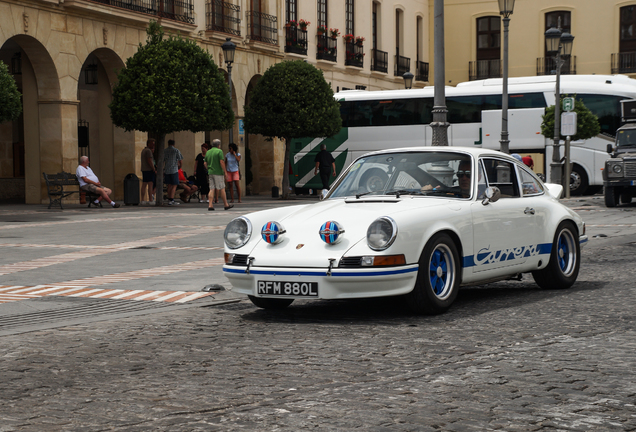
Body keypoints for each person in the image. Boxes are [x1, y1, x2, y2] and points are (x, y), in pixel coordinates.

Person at [204, 139, 233, 211]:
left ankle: (210, 205)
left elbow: (204, 163)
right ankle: (226, 204)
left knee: (211, 188)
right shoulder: (219, 151)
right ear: (218, 145)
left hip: (210, 172)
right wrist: (225, 172)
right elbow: (221, 162)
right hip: (218, 173)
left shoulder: (208, 152)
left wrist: (208, 169)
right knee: (222, 188)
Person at [164, 139, 183, 206]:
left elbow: (163, 160)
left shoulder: (165, 151)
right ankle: (171, 199)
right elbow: (180, 160)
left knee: (169, 185)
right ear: (174, 144)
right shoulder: (176, 150)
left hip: (167, 170)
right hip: (174, 170)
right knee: (174, 185)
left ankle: (169, 199)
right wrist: (180, 167)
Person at [140, 139, 156, 205]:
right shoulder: (149, 151)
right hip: (149, 170)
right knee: (150, 184)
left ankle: (142, 199)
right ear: (148, 144)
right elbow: (150, 160)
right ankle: (150, 199)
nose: (153, 145)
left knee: (144, 184)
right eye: (152, 143)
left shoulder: (143, 150)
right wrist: (153, 169)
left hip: (144, 169)